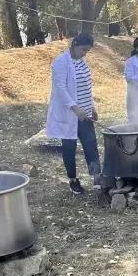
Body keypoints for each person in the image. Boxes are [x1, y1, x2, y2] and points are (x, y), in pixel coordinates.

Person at [45, 32, 101, 194]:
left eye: (87, 51)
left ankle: (97, 176)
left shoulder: (82, 62)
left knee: (91, 144)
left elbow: (86, 87)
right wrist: (75, 108)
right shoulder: (61, 62)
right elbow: (60, 88)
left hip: (85, 113)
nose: (85, 54)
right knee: (69, 148)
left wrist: (91, 108)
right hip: (69, 114)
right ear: (75, 45)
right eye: (83, 50)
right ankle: (73, 180)